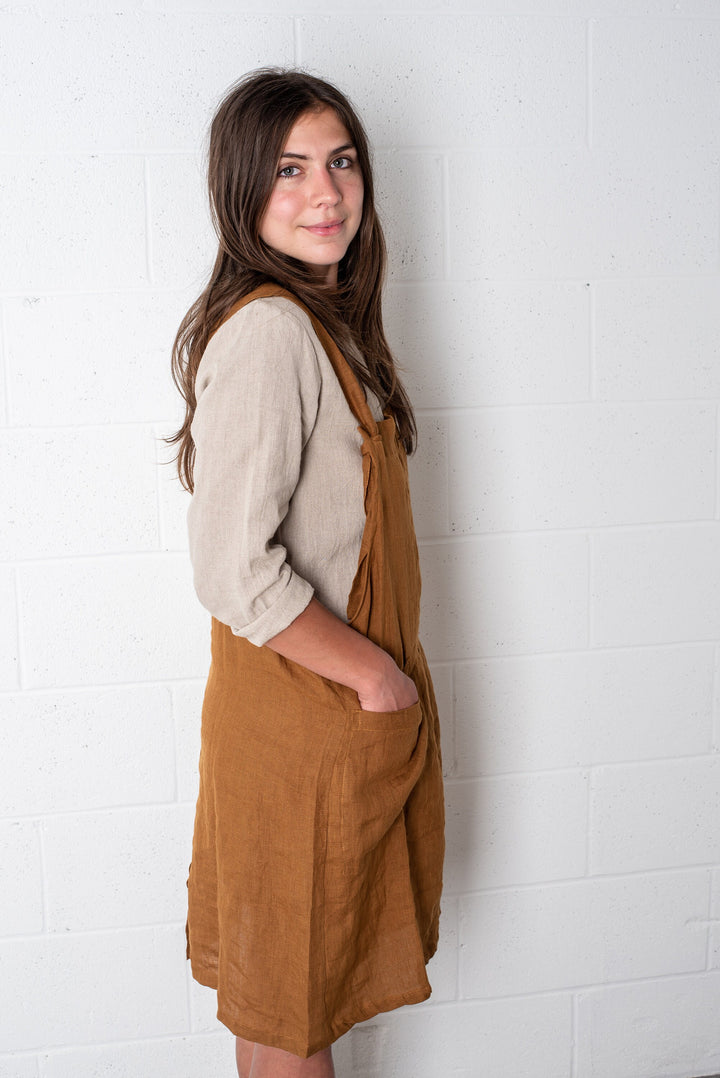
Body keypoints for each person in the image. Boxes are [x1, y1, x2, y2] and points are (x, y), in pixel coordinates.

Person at [169, 68, 445, 1078]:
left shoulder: (329, 327)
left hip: (317, 719)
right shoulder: (274, 332)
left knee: (288, 1002)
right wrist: (376, 678)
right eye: (288, 170)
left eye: (340, 161)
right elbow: (232, 568)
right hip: (304, 719)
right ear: (240, 189)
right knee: (292, 1013)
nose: (325, 192)